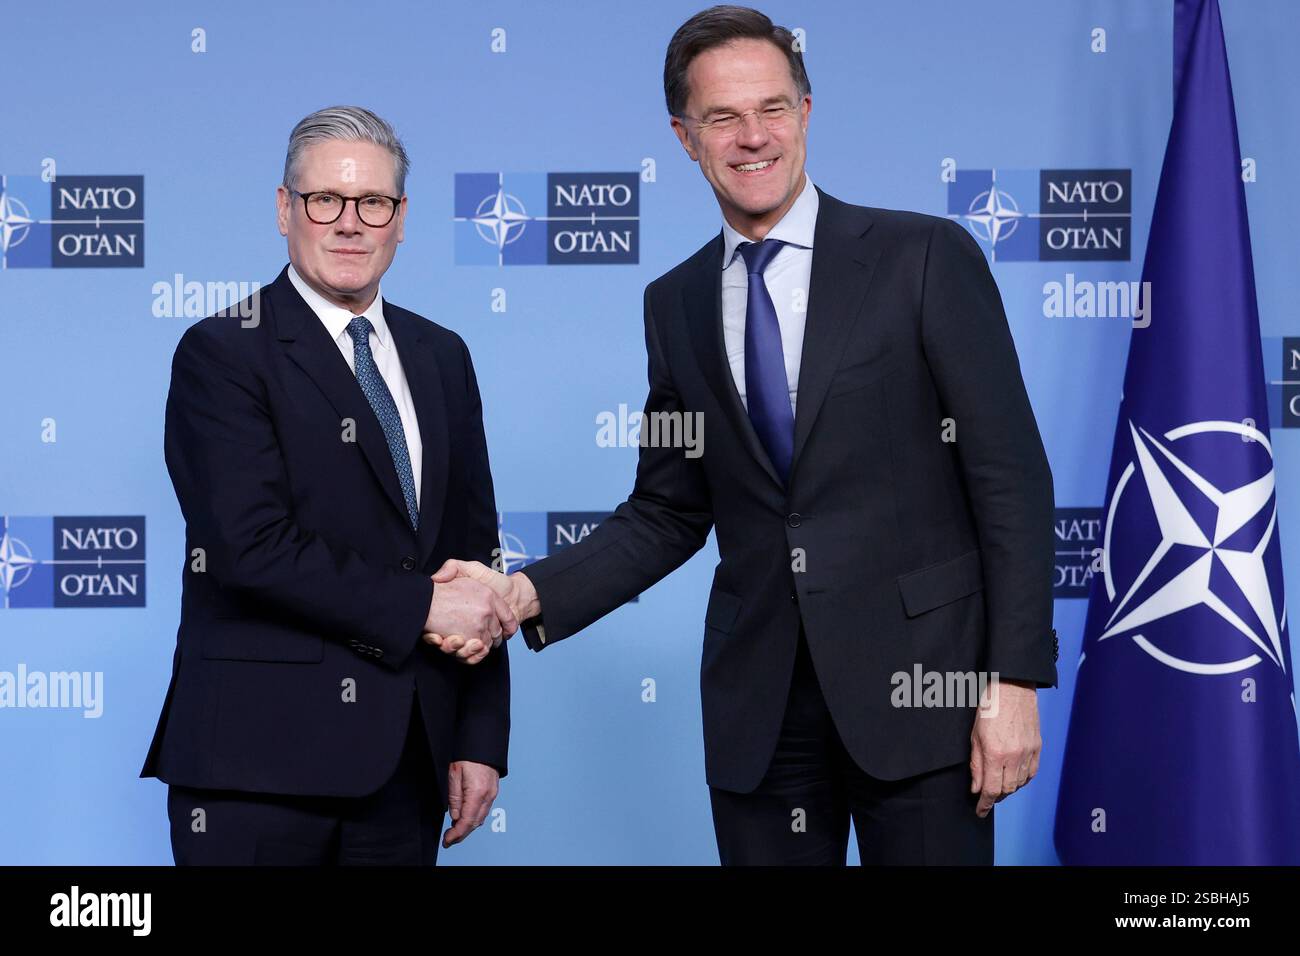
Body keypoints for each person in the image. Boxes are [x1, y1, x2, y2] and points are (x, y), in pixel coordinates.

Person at [431, 6, 1058, 865]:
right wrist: (518, 595)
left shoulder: (922, 256)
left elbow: (1010, 479)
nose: (751, 136)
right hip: (760, 709)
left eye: (772, 108)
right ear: (685, 137)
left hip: (924, 695)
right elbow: (667, 510)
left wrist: (1013, 679)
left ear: (807, 111)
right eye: (722, 116)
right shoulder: (676, 302)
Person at [140, 106, 515, 865]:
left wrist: (480, 736)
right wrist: (425, 604)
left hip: (407, 767)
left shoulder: (443, 356)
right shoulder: (222, 351)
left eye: (372, 203)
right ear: (285, 209)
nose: (350, 223)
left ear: (400, 219)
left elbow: (473, 558)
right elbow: (248, 548)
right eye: (325, 201)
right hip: (257, 771)